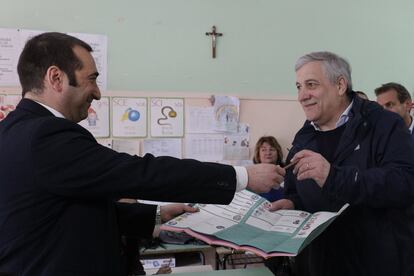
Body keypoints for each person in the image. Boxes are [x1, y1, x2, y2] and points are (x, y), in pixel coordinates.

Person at [0, 32, 285, 276]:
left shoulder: (13, 131)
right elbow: (140, 172)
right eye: (92, 79)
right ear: (56, 77)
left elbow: (69, 210)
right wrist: (242, 176)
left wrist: (157, 214)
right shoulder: (46, 136)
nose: (97, 93)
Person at [269, 51, 414, 276]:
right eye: (298, 86)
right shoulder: (303, 138)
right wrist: (292, 204)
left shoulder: (385, 124)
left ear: (340, 85)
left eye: (311, 84)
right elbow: (296, 190)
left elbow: (403, 183)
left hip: (376, 263)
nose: (302, 95)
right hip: (319, 264)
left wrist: (334, 177)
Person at [253, 136, 285, 201]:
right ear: (258, 154)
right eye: (264, 150)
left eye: (272, 149)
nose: (268, 153)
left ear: (278, 153)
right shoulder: (252, 174)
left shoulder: (287, 172)